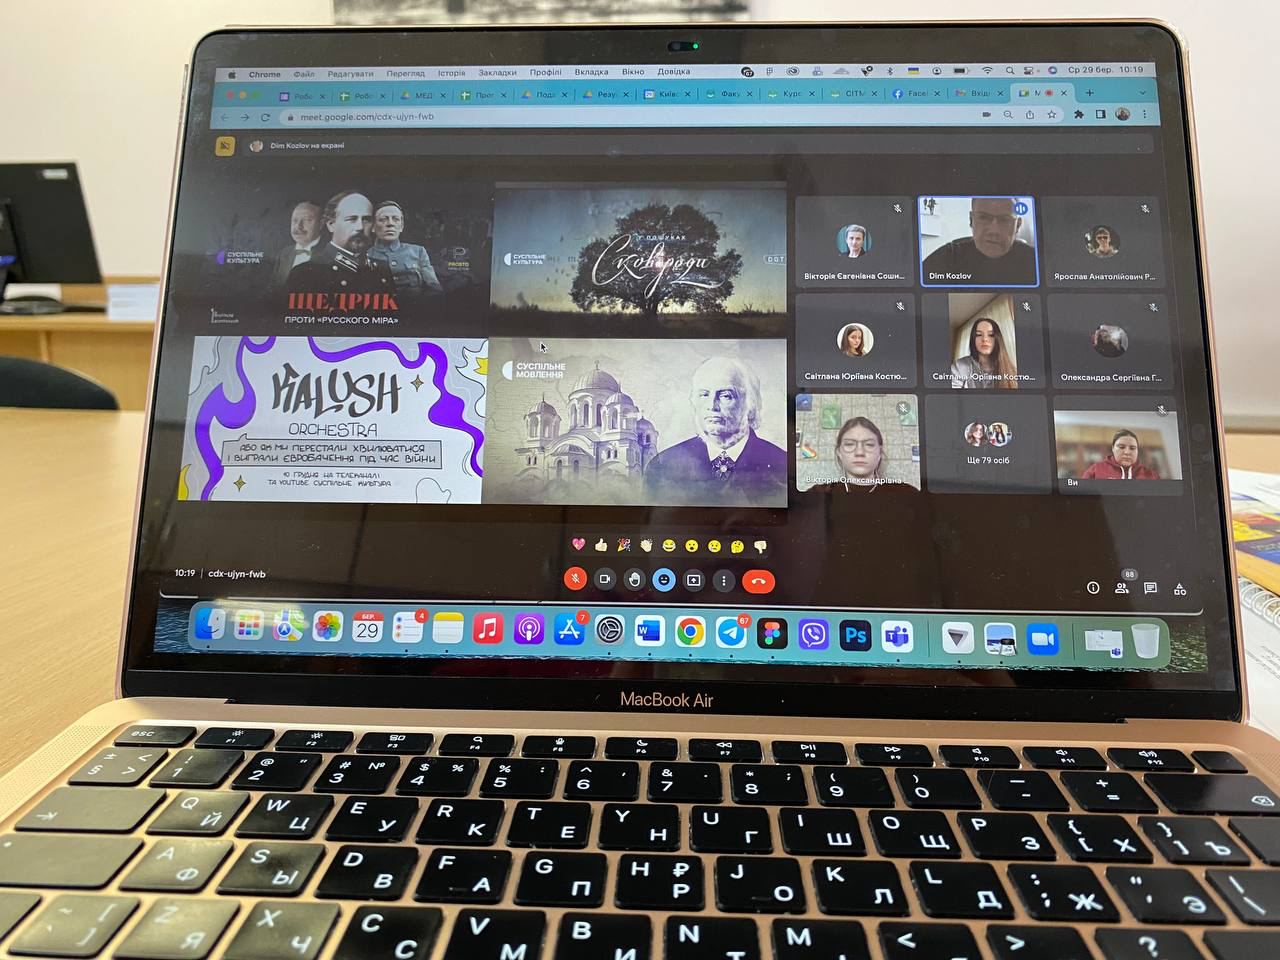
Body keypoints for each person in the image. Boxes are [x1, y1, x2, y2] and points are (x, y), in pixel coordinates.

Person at [643, 357, 786, 506]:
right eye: (704, 394)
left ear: (750, 405)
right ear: (694, 402)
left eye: (725, 396)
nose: (712, 406)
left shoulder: (782, 465)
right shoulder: (662, 467)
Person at [287, 191, 396, 295]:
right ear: (331, 224)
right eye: (351, 219)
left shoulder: (381, 269)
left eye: (366, 220)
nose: (360, 227)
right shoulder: (305, 273)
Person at [921, 197, 1037, 285]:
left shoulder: (1034, 261)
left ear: (1018, 225)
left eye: (1004, 220)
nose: (994, 230)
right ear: (971, 220)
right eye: (983, 218)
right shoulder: (948, 257)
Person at [367, 200, 444, 297]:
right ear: (373, 227)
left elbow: (435, 290)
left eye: (396, 219)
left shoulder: (418, 252)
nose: (390, 223)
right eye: (383, 219)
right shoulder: (365, 257)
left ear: (401, 226)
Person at [950, 317, 1018, 389]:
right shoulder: (960, 366)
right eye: (979, 334)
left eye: (991, 335)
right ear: (973, 339)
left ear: (998, 339)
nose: (985, 339)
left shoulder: (1011, 371)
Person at [271, 201, 323, 289]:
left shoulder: (330, 253)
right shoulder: (284, 253)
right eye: (295, 220)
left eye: (307, 220)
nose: (298, 226)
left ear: (321, 224)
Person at [1080, 429, 1161, 480]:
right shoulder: (1096, 469)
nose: (1127, 452)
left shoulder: (1152, 475)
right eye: (1121, 447)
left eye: (1132, 448)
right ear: (1113, 448)